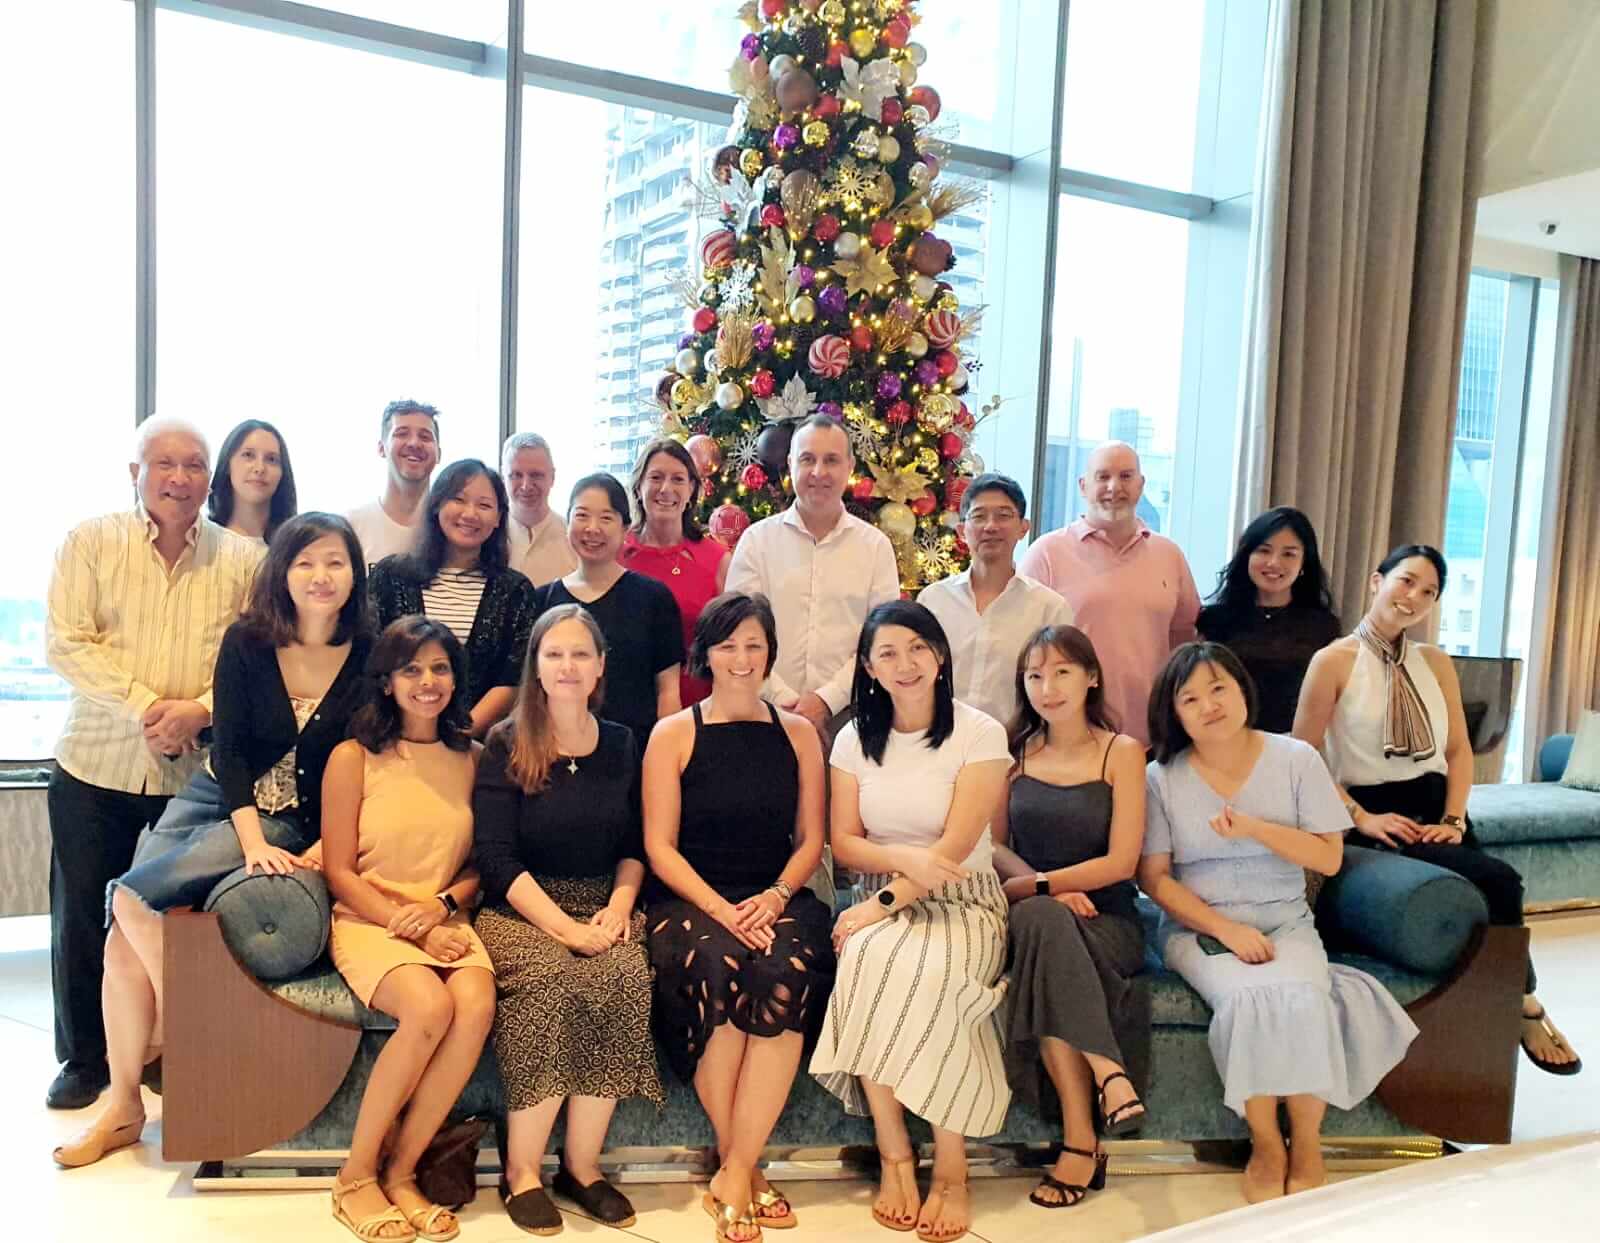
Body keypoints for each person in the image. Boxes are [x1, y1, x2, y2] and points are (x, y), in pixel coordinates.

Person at [52, 513, 371, 1167]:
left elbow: (374, 758)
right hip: (222, 796)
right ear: (282, 571)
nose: (320, 576)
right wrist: (248, 839)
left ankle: (182, 1051)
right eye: (305, 562)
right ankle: (125, 1103)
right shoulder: (249, 639)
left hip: (298, 816)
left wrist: (326, 846)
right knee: (123, 931)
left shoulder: (370, 650)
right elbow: (229, 751)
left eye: (335, 562)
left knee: (130, 901)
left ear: (355, 573)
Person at [1137, 642, 1417, 1203]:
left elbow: (1328, 858)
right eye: (1190, 698)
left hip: (1286, 921)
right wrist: (1226, 931)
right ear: (1174, 713)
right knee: (1248, 1000)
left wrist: (1255, 828)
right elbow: (1155, 879)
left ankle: (1307, 1142)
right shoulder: (1160, 777)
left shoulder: (1296, 759)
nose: (1209, 705)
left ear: (1242, 689)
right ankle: (1266, 1142)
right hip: (1200, 929)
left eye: (1219, 688)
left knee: (1305, 997)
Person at [43, 416, 265, 1110]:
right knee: (84, 913)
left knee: (180, 919)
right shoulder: (90, 542)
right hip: (96, 763)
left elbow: (259, 655)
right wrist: (147, 706)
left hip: (194, 776)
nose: (179, 478)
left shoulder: (244, 558)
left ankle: (169, 1053)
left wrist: (199, 710)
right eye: (163, 464)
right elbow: (66, 644)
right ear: (135, 473)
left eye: (194, 465)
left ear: (211, 477)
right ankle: (87, 1058)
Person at [1295, 544, 1582, 1077]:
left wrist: (1453, 819)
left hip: (1437, 805)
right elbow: (1304, 757)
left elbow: (1457, 750)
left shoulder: (1435, 661)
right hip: (1376, 812)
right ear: (1376, 582)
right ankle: (1524, 1004)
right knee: (1500, 882)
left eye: (1428, 592)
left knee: (1484, 893)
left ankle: (1487, 1025)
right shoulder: (1333, 660)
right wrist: (1360, 817)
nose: (1414, 597)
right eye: (1406, 581)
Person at [811, 601, 1011, 1243]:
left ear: (940, 655)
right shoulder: (852, 739)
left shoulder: (980, 732)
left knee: (932, 972)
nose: (905, 663)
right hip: (881, 892)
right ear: (868, 667)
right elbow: (845, 842)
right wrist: (898, 867)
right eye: (888, 653)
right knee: (868, 960)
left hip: (965, 899)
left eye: (917, 648)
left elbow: (954, 850)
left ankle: (952, 1168)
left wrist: (880, 904)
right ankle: (895, 1154)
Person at [642, 592, 834, 1241]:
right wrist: (722, 910)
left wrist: (775, 897)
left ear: (771, 652)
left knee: (784, 971)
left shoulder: (798, 733)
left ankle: (733, 1171)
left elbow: (811, 839)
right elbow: (660, 847)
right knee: (714, 966)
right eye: (728, 645)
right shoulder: (673, 734)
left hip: (777, 895)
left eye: (755, 644)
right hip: (692, 898)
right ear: (706, 653)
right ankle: (744, 1167)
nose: (743, 658)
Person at [472, 604, 661, 1235]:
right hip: (522, 907)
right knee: (552, 982)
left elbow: (635, 844)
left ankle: (581, 1168)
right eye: (554, 654)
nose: (568, 666)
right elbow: (496, 859)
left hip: (603, 901)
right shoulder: (505, 742)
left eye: (581, 653)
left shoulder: (622, 742)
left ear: (601, 665)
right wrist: (566, 929)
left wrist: (619, 906)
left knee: (622, 978)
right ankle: (521, 1170)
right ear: (536, 665)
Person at [323, 616, 496, 1243]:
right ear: (387, 681)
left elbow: (483, 865)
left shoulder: (473, 758)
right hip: (371, 917)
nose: (428, 681)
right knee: (428, 1007)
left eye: (440, 668)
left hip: (445, 915)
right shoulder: (353, 758)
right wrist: (414, 929)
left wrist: (444, 906)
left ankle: (400, 1173)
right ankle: (354, 1176)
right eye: (412, 669)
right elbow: (339, 871)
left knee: (475, 1005)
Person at [990, 625, 1148, 1209]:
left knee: (1046, 939)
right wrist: (1043, 890)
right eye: (1035, 675)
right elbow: (994, 845)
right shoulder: (1012, 753)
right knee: (1042, 923)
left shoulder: (1121, 752)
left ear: (1091, 678)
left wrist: (1043, 886)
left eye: (1061, 672)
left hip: (1108, 917)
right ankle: (1110, 1077)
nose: (1048, 687)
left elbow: (1122, 862)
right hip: (1032, 912)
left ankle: (1082, 1141)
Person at [725, 414, 900, 739]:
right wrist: (785, 702)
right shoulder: (756, 541)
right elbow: (736, 632)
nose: (818, 472)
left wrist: (825, 701)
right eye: (807, 459)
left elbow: (882, 639)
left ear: (849, 467)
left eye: (831, 460)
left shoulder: (875, 547)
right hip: (762, 715)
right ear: (790, 464)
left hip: (850, 722)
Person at [1018, 441, 1201, 747]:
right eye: (1102, 477)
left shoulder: (1169, 555)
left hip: (1153, 738)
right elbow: (1022, 646)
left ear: (1141, 485)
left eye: (1126, 476)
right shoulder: (1046, 553)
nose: (1114, 487)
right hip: (1068, 739)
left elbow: (1184, 641)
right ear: (1083, 486)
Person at [369, 459, 536, 738]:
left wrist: (460, 735)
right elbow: (372, 659)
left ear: (498, 518)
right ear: (436, 505)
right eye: (458, 499)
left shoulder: (515, 590)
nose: (470, 513)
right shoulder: (390, 576)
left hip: (476, 746)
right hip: (393, 738)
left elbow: (513, 678)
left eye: (484, 505)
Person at [534, 473, 683, 751]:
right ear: (568, 522)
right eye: (582, 516)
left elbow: (668, 693)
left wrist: (664, 758)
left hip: (634, 756)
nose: (592, 528)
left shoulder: (654, 598)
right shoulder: (541, 601)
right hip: (553, 755)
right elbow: (530, 692)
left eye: (606, 518)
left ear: (625, 528)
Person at [917, 472, 1073, 725]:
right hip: (939, 740)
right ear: (962, 530)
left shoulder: (1050, 609)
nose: (990, 526)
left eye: (1003, 515)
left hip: (1015, 744)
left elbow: (1061, 690)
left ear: (1023, 528)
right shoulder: (933, 600)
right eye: (979, 516)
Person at [1197, 507, 1342, 733]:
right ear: (1247, 556)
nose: (1274, 562)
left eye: (1289, 554)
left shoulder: (1324, 626)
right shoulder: (1214, 620)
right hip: (1224, 738)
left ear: (1304, 563)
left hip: (1295, 743)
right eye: (1264, 551)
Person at [621, 437, 731, 709]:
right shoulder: (616, 554)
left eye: (678, 479)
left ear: (691, 489)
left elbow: (730, 644)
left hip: (697, 710)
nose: (666, 489)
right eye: (656, 477)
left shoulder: (717, 560)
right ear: (638, 487)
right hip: (624, 708)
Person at [346, 399, 442, 564]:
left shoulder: (452, 529)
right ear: (381, 448)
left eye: (425, 437)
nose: (414, 443)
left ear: (439, 453)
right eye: (402, 434)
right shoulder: (352, 525)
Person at [501, 431, 578, 587]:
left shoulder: (574, 539)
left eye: (536, 475)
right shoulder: (487, 536)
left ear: (552, 477)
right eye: (516, 475)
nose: (526, 486)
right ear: (503, 477)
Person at [206, 418, 298, 544]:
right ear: (227, 464)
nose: (260, 468)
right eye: (248, 455)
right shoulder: (201, 539)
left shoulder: (295, 547)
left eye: (271, 459)